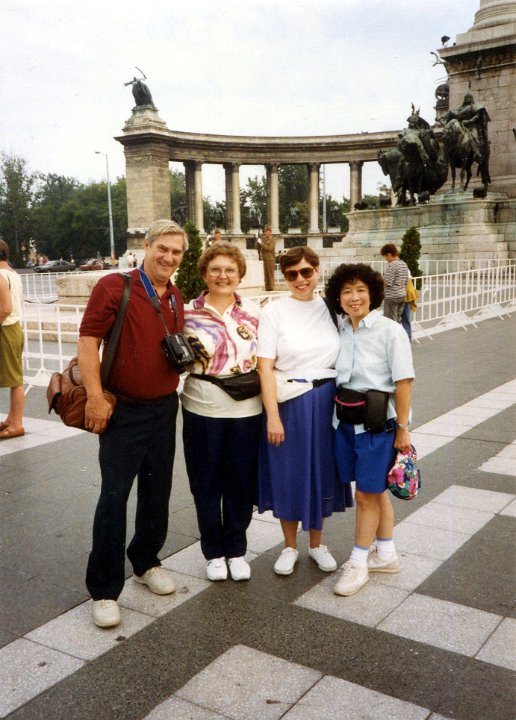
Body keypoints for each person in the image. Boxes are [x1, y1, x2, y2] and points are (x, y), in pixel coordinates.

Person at [78, 219, 187, 628]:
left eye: (176, 252)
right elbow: (88, 340)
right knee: (113, 497)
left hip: (164, 407)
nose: (169, 257)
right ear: (147, 246)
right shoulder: (115, 286)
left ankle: (145, 561)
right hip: (122, 410)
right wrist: (95, 397)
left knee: (157, 492)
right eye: (163, 248)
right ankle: (105, 589)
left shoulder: (174, 295)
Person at [257, 246, 353, 576]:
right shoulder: (274, 311)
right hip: (290, 401)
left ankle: (316, 543)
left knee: (322, 470)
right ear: (284, 277)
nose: (300, 279)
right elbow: (264, 367)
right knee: (288, 471)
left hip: (328, 400)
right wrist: (273, 416)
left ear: (317, 270)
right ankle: (289, 546)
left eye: (306, 272)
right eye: (292, 274)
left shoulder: (331, 307)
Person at [324, 263, 414, 596]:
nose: (354, 297)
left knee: (364, 495)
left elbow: (404, 381)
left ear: (372, 293)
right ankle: (386, 554)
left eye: (360, 290)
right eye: (346, 291)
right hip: (345, 421)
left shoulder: (390, 330)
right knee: (374, 491)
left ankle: (359, 562)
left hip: (378, 425)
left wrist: (403, 429)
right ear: (338, 297)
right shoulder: (341, 328)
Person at [181, 242, 261, 582]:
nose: (223, 276)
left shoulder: (255, 312)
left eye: (230, 270)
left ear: (240, 274)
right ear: (204, 274)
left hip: (247, 410)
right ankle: (213, 551)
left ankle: (237, 549)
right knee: (205, 482)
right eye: (215, 269)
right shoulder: (187, 313)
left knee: (241, 482)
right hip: (201, 408)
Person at [0, 239, 25, 439]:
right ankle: (11, 419)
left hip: (5, 329)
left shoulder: (0, 276)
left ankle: (17, 424)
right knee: (14, 377)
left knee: (15, 379)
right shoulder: (12, 273)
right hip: (14, 328)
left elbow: (5, 309)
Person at [380, 243, 409, 323]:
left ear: (389, 254)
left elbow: (387, 282)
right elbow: (406, 281)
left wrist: (381, 278)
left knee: (390, 322)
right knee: (397, 320)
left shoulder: (392, 265)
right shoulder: (404, 264)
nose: (386, 259)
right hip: (402, 295)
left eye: (385, 256)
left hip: (392, 297)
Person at [261, 225, 276, 291]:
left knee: (270, 274)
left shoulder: (273, 239)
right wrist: (258, 242)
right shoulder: (263, 239)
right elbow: (259, 248)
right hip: (264, 259)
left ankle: (271, 288)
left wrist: (262, 244)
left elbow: (270, 248)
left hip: (270, 259)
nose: (265, 233)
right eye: (265, 231)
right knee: (266, 275)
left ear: (270, 232)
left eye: (267, 231)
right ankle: (267, 288)